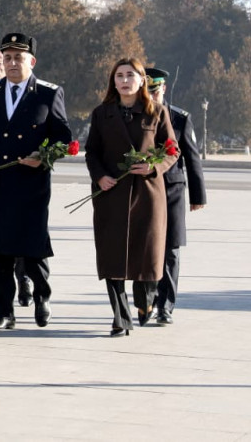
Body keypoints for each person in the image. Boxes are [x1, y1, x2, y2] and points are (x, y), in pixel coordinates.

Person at [0, 33, 72, 331]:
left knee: (32, 249)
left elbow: (64, 137)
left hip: (30, 185)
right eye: (7, 57)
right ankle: (4, 313)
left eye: (18, 58)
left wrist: (43, 156)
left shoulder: (48, 93)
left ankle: (42, 294)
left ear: (31, 61)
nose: (11, 63)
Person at [85, 58, 178, 336]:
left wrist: (153, 166)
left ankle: (145, 297)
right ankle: (120, 317)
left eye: (130, 75)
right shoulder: (102, 114)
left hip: (147, 194)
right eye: (119, 76)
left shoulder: (157, 113)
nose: (124, 80)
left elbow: (172, 151)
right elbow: (92, 152)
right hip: (111, 193)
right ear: (113, 81)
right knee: (112, 257)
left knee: (147, 255)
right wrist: (100, 176)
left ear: (141, 81)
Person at [146, 67, 206, 326]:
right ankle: (147, 300)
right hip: (145, 189)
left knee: (170, 248)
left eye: (155, 91)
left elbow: (191, 157)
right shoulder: (136, 116)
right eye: (146, 91)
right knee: (146, 247)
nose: (151, 96)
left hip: (172, 190)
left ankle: (165, 305)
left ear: (164, 89)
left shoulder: (180, 117)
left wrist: (198, 194)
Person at [0, 48, 32, 307]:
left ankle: (27, 280)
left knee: (26, 243)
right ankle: (2, 309)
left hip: (27, 183)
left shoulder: (39, 93)